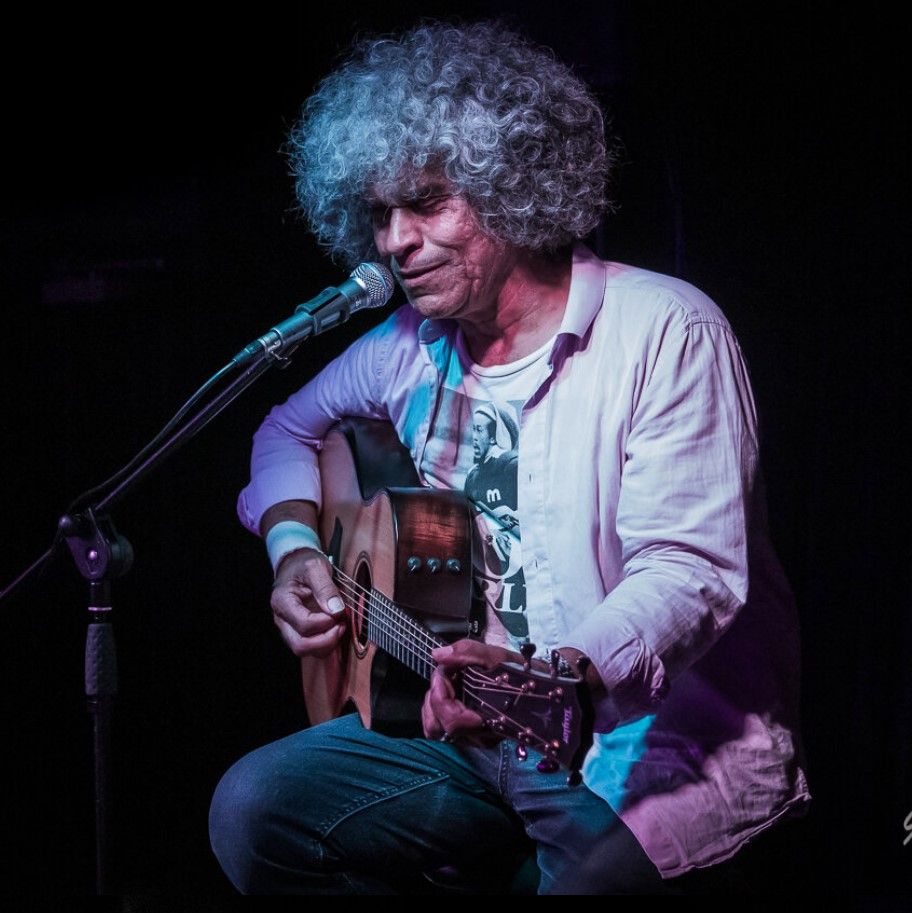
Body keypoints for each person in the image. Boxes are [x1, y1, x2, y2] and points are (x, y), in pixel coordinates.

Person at [208, 19, 810, 894]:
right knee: (254, 806)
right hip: (464, 734)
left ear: (513, 188)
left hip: (636, 744)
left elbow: (688, 570)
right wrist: (295, 549)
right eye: (379, 214)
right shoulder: (406, 346)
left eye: (424, 203)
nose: (391, 242)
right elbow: (283, 431)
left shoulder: (666, 330)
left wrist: (559, 678)